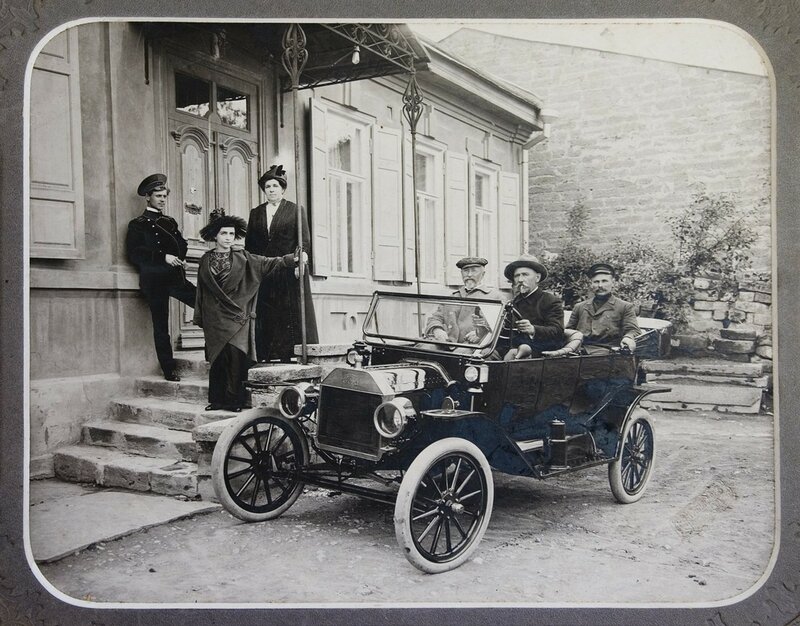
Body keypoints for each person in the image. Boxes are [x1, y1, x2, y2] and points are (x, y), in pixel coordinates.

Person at [194, 212, 301, 412]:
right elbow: (201, 290)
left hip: (237, 317)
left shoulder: (244, 257)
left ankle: (235, 401)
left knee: (236, 358)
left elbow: (269, 263)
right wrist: (200, 316)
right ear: (215, 236)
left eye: (231, 234)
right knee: (217, 359)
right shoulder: (205, 260)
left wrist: (291, 259)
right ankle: (217, 400)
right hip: (213, 318)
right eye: (224, 233)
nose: (228, 238)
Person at [126, 174, 196, 382]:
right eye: (158, 196)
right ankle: (169, 369)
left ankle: (215, 352)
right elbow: (134, 253)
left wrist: (181, 258)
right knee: (161, 327)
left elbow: (181, 244)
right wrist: (163, 257)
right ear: (148, 197)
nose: (162, 199)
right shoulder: (137, 224)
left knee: (205, 303)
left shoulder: (169, 222)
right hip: (155, 282)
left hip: (175, 279)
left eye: (164, 196)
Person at [245, 164, 318, 362]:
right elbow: (250, 244)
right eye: (268, 187)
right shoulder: (256, 213)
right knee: (266, 312)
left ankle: (289, 355)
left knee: (288, 313)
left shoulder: (295, 210)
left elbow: (304, 241)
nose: (271, 190)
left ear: (283, 189)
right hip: (265, 270)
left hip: (288, 269)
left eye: (275, 186)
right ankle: (266, 355)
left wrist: (300, 262)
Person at [424, 257, 503, 344]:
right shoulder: (453, 297)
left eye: (474, 271)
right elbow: (435, 317)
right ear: (461, 274)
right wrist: (437, 329)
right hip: (447, 343)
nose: (469, 274)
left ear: (483, 274)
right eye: (466, 271)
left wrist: (481, 333)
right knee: (423, 348)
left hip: (476, 345)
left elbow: (502, 326)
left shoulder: (495, 297)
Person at [500, 254, 564, 360]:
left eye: (525, 275)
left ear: (537, 278)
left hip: (538, 354)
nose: (520, 280)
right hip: (510, 349)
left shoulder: (550, 301)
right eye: (517, 276)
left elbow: (557, 331)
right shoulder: (513, 302)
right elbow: (505, 331)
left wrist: (533, 329)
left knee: (512, 355)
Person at [567, 263, 641, 353]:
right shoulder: (579, 307)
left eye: (604, 281)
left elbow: (633, 330)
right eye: (596, 282)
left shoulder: (625, 307)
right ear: (591, 284)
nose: (600, 285)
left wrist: (628, 338)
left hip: (608, 353)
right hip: (579, 350)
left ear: (613, 283)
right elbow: (569, 331)